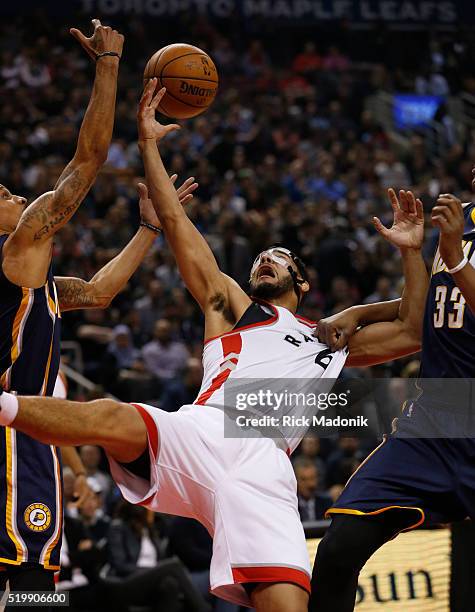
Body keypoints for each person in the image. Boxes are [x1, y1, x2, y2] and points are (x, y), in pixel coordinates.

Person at [0, 82, 428, 612]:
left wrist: (411, 252)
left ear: (303, 282)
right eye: (259, 258)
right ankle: (5, 406)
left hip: (265, 465)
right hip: (205, 429)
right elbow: (178, 224)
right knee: (111, 416)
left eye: (279, 257)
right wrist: (149, 145)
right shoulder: (233, 306)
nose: (264, 262)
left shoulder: (331, 341)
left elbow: (413, 330)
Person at [0, 22, 196, 594]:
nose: (15, 196)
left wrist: (146, 231)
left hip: (30, 430)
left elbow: (98, 292)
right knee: (29, 583)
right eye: (5, 194)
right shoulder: (17, 253)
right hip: (15, 432)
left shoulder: (30, 280)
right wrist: (109, 65)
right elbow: (84, 166)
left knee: (29, 579)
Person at [309, 184, 475, 611]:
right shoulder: (461, 221)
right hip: (430, 425)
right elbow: (427, 312)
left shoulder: (456, 240)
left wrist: (455, 256)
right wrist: (362, 309)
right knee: (338, 550)